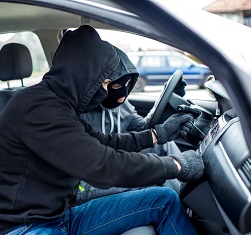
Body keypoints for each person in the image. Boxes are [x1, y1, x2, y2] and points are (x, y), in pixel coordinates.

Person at [0, 25, 207, 235]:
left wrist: (157, 134)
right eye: (105, 83)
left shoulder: (61, 106)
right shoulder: (37, 108)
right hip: (22, 232)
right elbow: (102, 165)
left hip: (61, 219)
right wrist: (176, 165)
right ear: (83, 75)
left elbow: (104, 142)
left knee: (164, 200)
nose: (107, 91)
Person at [76, 48, 187, 202]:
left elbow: (143, 127)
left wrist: (168, 108)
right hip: (89, 180)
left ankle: (187, 185)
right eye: (115, 86)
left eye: (128, 83)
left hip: (116, 159)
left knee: (165, 145)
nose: (124, 91)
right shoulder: (80, 111)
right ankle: (180, 205)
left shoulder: (121, 103)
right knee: (157, 178)